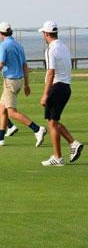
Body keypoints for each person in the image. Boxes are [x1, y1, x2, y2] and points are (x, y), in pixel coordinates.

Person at [0, 22, 46, 146]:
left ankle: (37, 129)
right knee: (2, 109)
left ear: (1, 33)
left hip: (10, 81)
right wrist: (27, 85)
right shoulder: (18, 45)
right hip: (19, 80)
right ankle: (0, 138)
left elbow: (0, 64)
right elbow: (25, 65)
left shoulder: (4, 45)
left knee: (11, 112)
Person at [39, 21, 83, 166]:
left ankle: (58, 157)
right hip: (66, 87)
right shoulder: (63, 47)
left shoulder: (50, 50)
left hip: (56, 87)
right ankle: (72, 144)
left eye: (43, 34)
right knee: (53, 122)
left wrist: (45, 94)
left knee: (52, 123)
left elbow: (51, 72)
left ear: (46, 34)